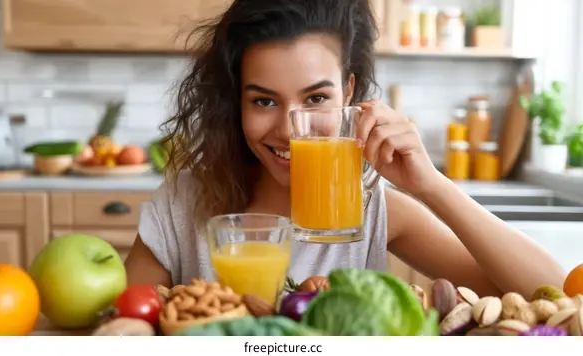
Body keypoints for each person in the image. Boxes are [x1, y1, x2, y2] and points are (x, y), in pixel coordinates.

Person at [125, 0, 565, 298]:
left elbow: (556, 294)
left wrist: (431, 185)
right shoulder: (183, 203)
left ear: (349, 92)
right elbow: (130, 325)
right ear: (235, 100)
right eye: (263, 101)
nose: (290, 130)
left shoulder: (374, 208)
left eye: (316, 99)